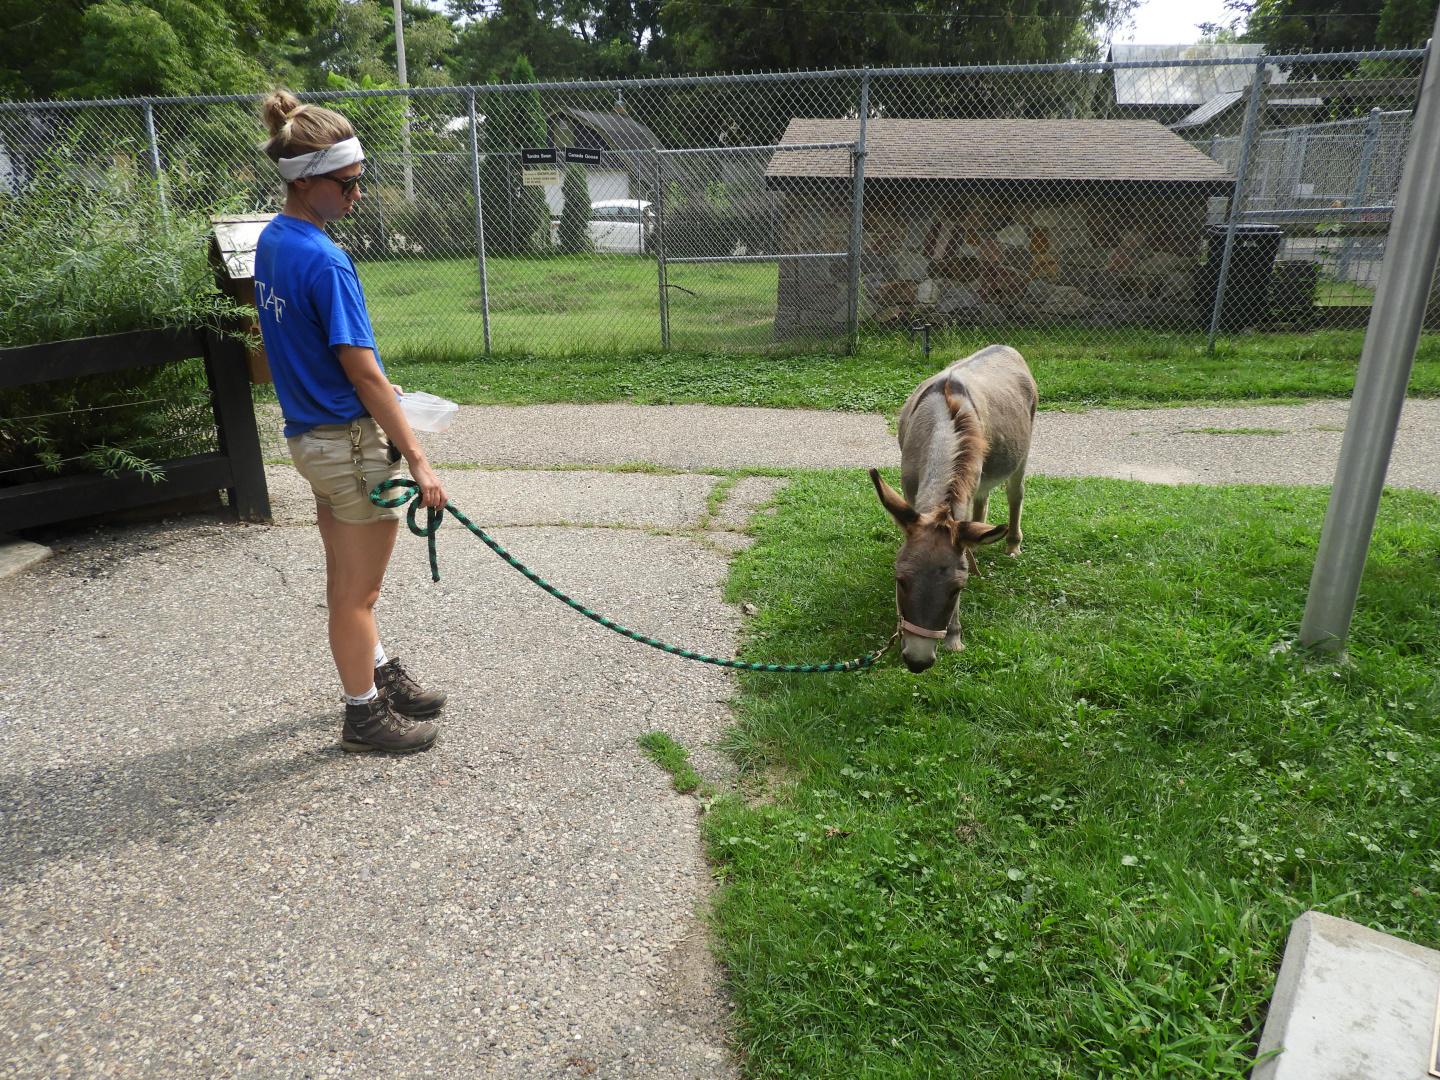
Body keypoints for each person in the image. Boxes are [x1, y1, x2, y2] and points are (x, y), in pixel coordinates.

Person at [253, 89, 449, 754]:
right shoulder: (326, 260)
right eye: (350, 184)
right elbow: (362, 372)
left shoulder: (275, 240)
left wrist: (362, 388)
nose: (358, 195)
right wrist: (418, 459)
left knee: (347, 582)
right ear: (307, 182)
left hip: (312, 440)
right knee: (357, 592)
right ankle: (363, 714)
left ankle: (377, 671)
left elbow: (297, 347)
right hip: (347, 445)